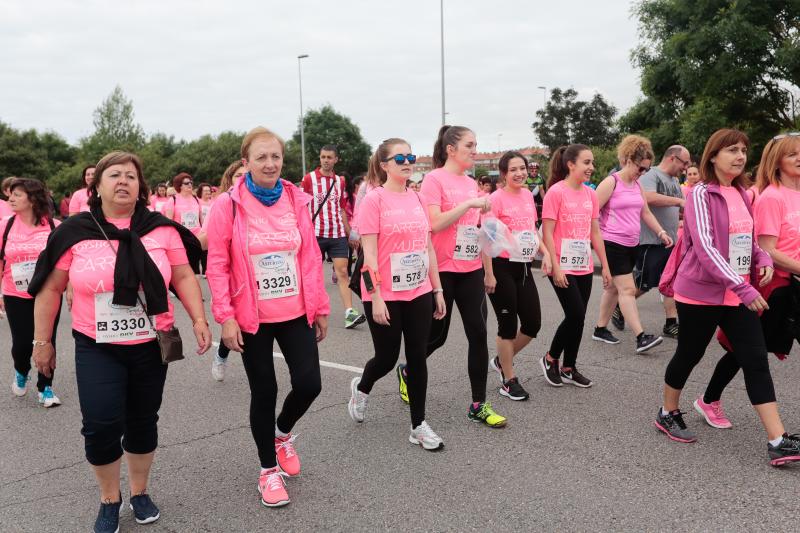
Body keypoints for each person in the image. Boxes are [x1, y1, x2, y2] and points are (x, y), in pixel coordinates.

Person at [28, 151, 211, 532]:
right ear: (97, 185)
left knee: (143, 421)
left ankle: (140, 492)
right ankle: (109, 496)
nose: (123, 181)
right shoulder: (74, 231)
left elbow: (183, 276)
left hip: (150, 343)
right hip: (96, 346)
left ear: (141, 186)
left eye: (131, 175)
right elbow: (50, 290)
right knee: (100, 423)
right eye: (115, 174)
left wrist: (197, 318)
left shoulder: (160, 229)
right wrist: (41, 343)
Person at [654, 128, 800, 466]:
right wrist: (745, 287)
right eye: (731, 150)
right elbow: (705, 247)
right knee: (689, 354)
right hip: (700, 293)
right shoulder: (700, 194)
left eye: (743, 151)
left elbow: (745, 237)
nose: (739, 156)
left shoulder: (743, 194)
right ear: (713, 155)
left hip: (735, 294)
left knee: (755, 360)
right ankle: (667, 411)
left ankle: (777, 440)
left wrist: (762, 258)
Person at [207, 127, 329, 507]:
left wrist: (321, 306)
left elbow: (309, 256)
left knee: (310, 384)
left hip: (295, 310)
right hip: (251, 316)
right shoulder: (227, 205)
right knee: (265, 391)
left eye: (275, 156)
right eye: (261, 157)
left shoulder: (295, 199)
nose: (270, 163)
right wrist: (225, 316)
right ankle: (267, 471)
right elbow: (217, 263)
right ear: (246, 162)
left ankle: (281, 433)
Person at [398, 125, 507, 428]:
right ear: (451, 149)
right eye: (470, 145)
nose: (474, 150)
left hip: (470, 269)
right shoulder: (433, 180)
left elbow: (477, 230)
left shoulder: (472, 183)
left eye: (476, 145)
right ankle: (408, 370)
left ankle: (478, 404)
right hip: (441, 271)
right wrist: (469, 204)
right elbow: (434, 224)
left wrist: (489, 269)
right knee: (438, 337)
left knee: (478, 334)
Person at [696, 132, 800, 433]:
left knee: (750, 353)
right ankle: (709, 399)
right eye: (792, 154)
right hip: (777, 287)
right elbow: (768, 250)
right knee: (746, 352)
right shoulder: (772, 196)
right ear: (776, 160)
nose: (799, 158)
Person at [347, 138, 447, 450]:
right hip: (384, 293)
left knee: (417, 356)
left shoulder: (417, 199)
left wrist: (438, 288)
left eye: (411, 156)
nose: (407, 162)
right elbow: (369, 256)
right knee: (387, 358)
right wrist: (375, 296)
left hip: (418, 289)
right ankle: (362, 388)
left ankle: (418, 425)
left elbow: (427, 246)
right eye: (400, 157)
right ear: (384, 164)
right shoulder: (374, 201)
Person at [592, 135, 673, 353]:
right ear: (628, 159)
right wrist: (596, 239)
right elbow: (593, 213)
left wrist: (661, 232)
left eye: (647, 169)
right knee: (627, 289)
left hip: (631, 244)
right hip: (612, 243)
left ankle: (600, 329)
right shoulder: (611, 182)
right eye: (641, 168)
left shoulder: (637, 185)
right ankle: (641, 337)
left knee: (611, 288)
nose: (643, 173)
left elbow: (645, 212)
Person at [540, 144, 611, 388]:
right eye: (587, 162)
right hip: (561, 264)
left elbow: (595, 233)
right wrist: (556, 267)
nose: (592, 167)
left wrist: (606, 267)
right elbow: (547, 233)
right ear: (571, 164)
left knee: (578, 319)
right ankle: (551, 358)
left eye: (592, 163)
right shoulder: (555, 192)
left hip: (584, 264)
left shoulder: (591, 194)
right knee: (576, 314)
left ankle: (569, 366)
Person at [483, 151, 551, 401]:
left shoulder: (525, 195)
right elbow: (487, 238)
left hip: (523, 265)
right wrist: (488, 273)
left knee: (533, 323)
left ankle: (502, 360)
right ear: (503, 174)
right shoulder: (495, 199)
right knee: (508, 325)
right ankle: (509, 379)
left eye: (522, 168)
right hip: (500, 266)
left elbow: (531, 229)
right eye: (513, 169)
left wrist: (547, 255)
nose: (520, 173)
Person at [0, 178, 62, 406]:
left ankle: (45, 387)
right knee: (23, 343)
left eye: (17, 195)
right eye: (10, 195)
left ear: (32, 198)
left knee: (47, 340)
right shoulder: (4, 225)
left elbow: (65, 261)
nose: (10, 199)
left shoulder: (54, 226)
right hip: (15, 293)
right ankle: (21, 370)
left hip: (46, 293)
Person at [619, 146, 690, 338]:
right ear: (673, 158)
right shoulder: (651, 175)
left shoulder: (675, 180)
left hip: (670, 241)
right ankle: (621, 303)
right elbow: (648, 198)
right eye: (685, 163)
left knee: (670, 282)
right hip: (651, 240)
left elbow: (678, 208)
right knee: (644, 283)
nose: (686, 168)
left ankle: (670, 323)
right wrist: (678, 202)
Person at [301, 146, 365, 329]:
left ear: (336, 159)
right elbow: (302, 207)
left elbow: (342, 208)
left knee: (343, 272)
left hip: (337, 233)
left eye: (329, 157)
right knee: (313, 275)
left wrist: (349, 232)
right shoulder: (309, 179)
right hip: (315, 234)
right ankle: (310, 311)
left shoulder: (340, 181)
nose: (326, 160)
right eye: (323, 157)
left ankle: (349, 313)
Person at [207, 161, 247, 382]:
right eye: (237, 175)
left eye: (245, 175)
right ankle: (221, 355)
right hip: (229, 277)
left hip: (253, 278)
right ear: (229, 179)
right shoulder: (223, 204)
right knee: (235, 320)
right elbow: (209, 239)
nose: (242, 178)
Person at [163, 172, 203, 272]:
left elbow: (201, 220)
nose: (190, 184)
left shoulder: (196, 199)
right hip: (181, 238)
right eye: (186, 183)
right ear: (179, 185)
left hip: (196, 238)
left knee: (195, 268)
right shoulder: (173, 200)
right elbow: (169, 221)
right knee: (183, 268)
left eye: (191, 182)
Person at [197, 182, 214, 276]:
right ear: (201, 192)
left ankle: (206, 270)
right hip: (200, 229)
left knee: (208, 251)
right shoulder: (198, 201)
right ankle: (200, 270)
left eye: (209, 190)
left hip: (211, 229)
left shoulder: (213, 201)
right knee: (202, 250)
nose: (208, 192)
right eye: (205, 190)